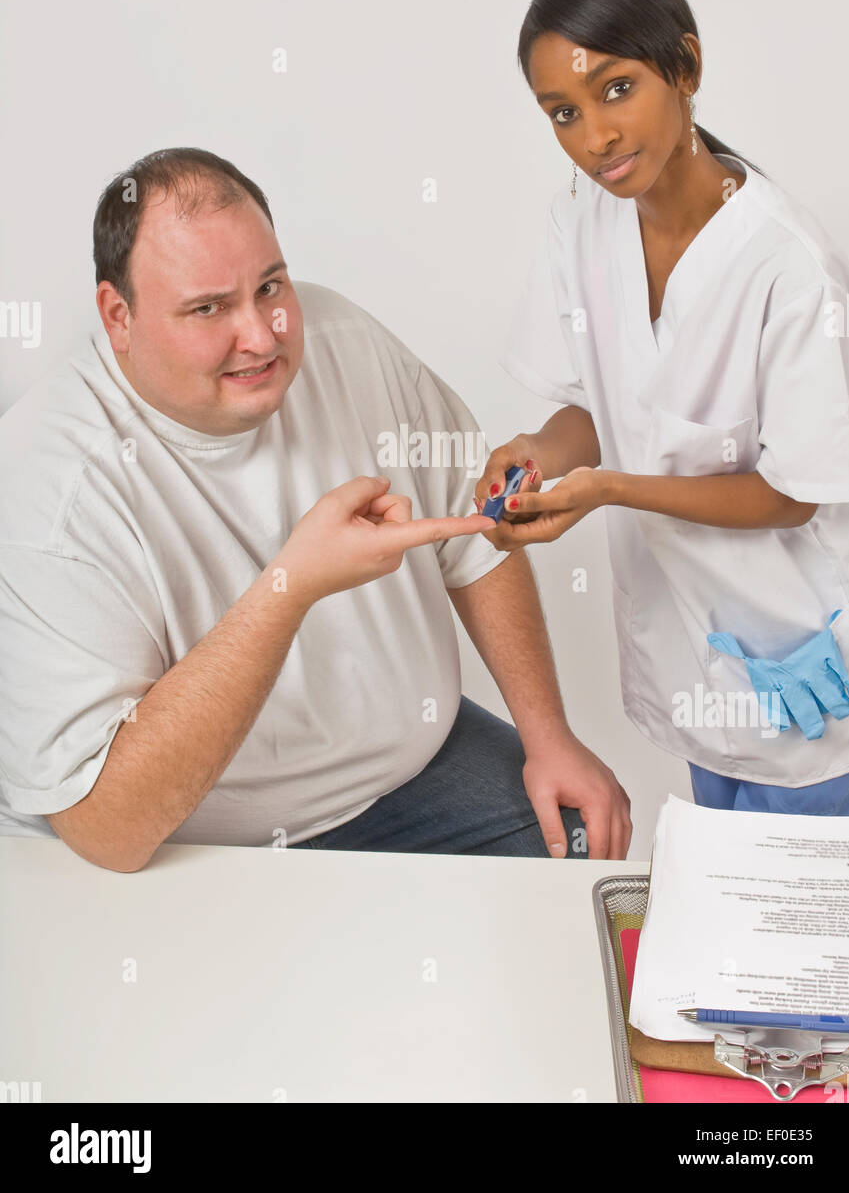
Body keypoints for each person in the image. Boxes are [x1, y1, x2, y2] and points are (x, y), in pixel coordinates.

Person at [0, 147, 632, 871]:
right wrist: (289, 586)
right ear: (118, 315)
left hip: (404, 771)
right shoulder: (48, 486)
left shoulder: (343, 341)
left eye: (269, 286)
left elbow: (473, 537)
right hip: (192, 835)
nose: (262, 336)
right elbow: (108, 832)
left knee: (582, 844)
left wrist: (549, 737)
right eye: (208, 308)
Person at [474, 0, 849, 815]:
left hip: (806, 667)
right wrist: (539, 453)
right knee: (723, 916)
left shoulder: (788, 268)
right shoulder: (579, 221)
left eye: (617, 90)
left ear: (684, 66)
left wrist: (608, 488)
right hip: (695, 657)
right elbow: (602, 402)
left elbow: (792, 494)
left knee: (816, 939)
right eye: (562, 113)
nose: (595, 138)